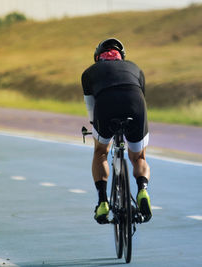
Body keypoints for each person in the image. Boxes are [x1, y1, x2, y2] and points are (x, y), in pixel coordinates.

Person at [81, 38, 152, 224]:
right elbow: (141, 96)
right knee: (139, 157)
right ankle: (143, 190)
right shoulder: (135, 68)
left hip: (106, 106)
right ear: (122, 58)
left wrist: (96, 128)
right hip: (135, 104)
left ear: (97, 58)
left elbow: (91, 110)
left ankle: (103, 200)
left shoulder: (89, 73)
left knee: (100, 152)